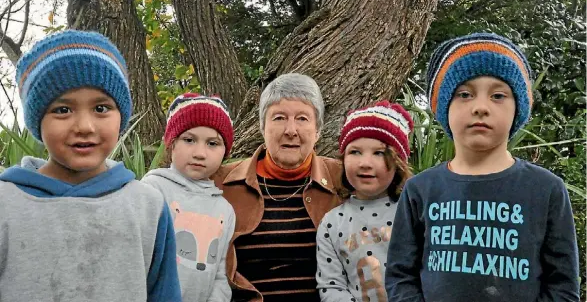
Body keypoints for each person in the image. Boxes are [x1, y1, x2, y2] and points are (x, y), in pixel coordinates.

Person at [385, 32, 580, 301]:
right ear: (444, 108)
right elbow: (400, 276)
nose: (480, 107)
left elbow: (563, 285)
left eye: (498, 96)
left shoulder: (547, 189)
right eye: (464, 94)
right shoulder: (420, 189)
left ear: (518, 109)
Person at [0, 30, 180, 301]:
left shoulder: (148, 205)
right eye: (62, 110)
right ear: (38, 121)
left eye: (101, 108)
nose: (84, 127)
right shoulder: (5, 203)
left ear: (122, 115)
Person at [212, 73, 345, 301]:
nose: (290, 130)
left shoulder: (343, 181)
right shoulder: (221, 183)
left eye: (302, 119)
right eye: (279, 118)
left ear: (318, 131)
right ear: (263, 128)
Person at [316, 100, 414, 302]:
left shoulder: (414, 212)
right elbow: (331, 285)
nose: (365, 163)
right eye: (355, 152)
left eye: (379, 153)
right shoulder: (331, 223)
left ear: (398, 163)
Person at [142, 93, 236, 301]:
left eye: (212, 143)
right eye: (189, 140)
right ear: (172, 143)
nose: (200, 153)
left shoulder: (224, 210)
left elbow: (220, 274)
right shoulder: (153, 191)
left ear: (225, 151)